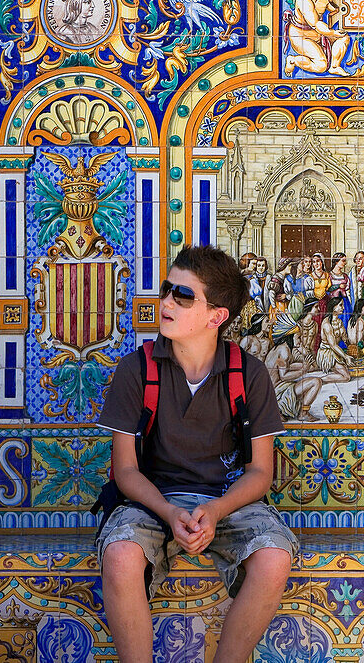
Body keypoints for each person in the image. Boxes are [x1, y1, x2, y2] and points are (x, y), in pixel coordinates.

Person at [96, 245, 295, 663]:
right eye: (167, 289)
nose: (165, 302)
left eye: (182, 296)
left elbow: (260, 473)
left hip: (226, 501)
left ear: (216, 316)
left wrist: (218, 511)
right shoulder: (137, 370)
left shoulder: (249, 374)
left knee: (275, 558)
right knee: (119, 555)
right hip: (152, 500)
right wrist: (169, 513)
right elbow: (125, 471)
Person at [284, 0, 350, 75]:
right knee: (321, 66)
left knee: (344, 38)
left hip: (319, 32)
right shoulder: (304, 1)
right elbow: (316, 24)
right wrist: (332, 33)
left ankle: (334, 66)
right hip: (301, 36)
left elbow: (337, 7)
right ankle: (293, 60)